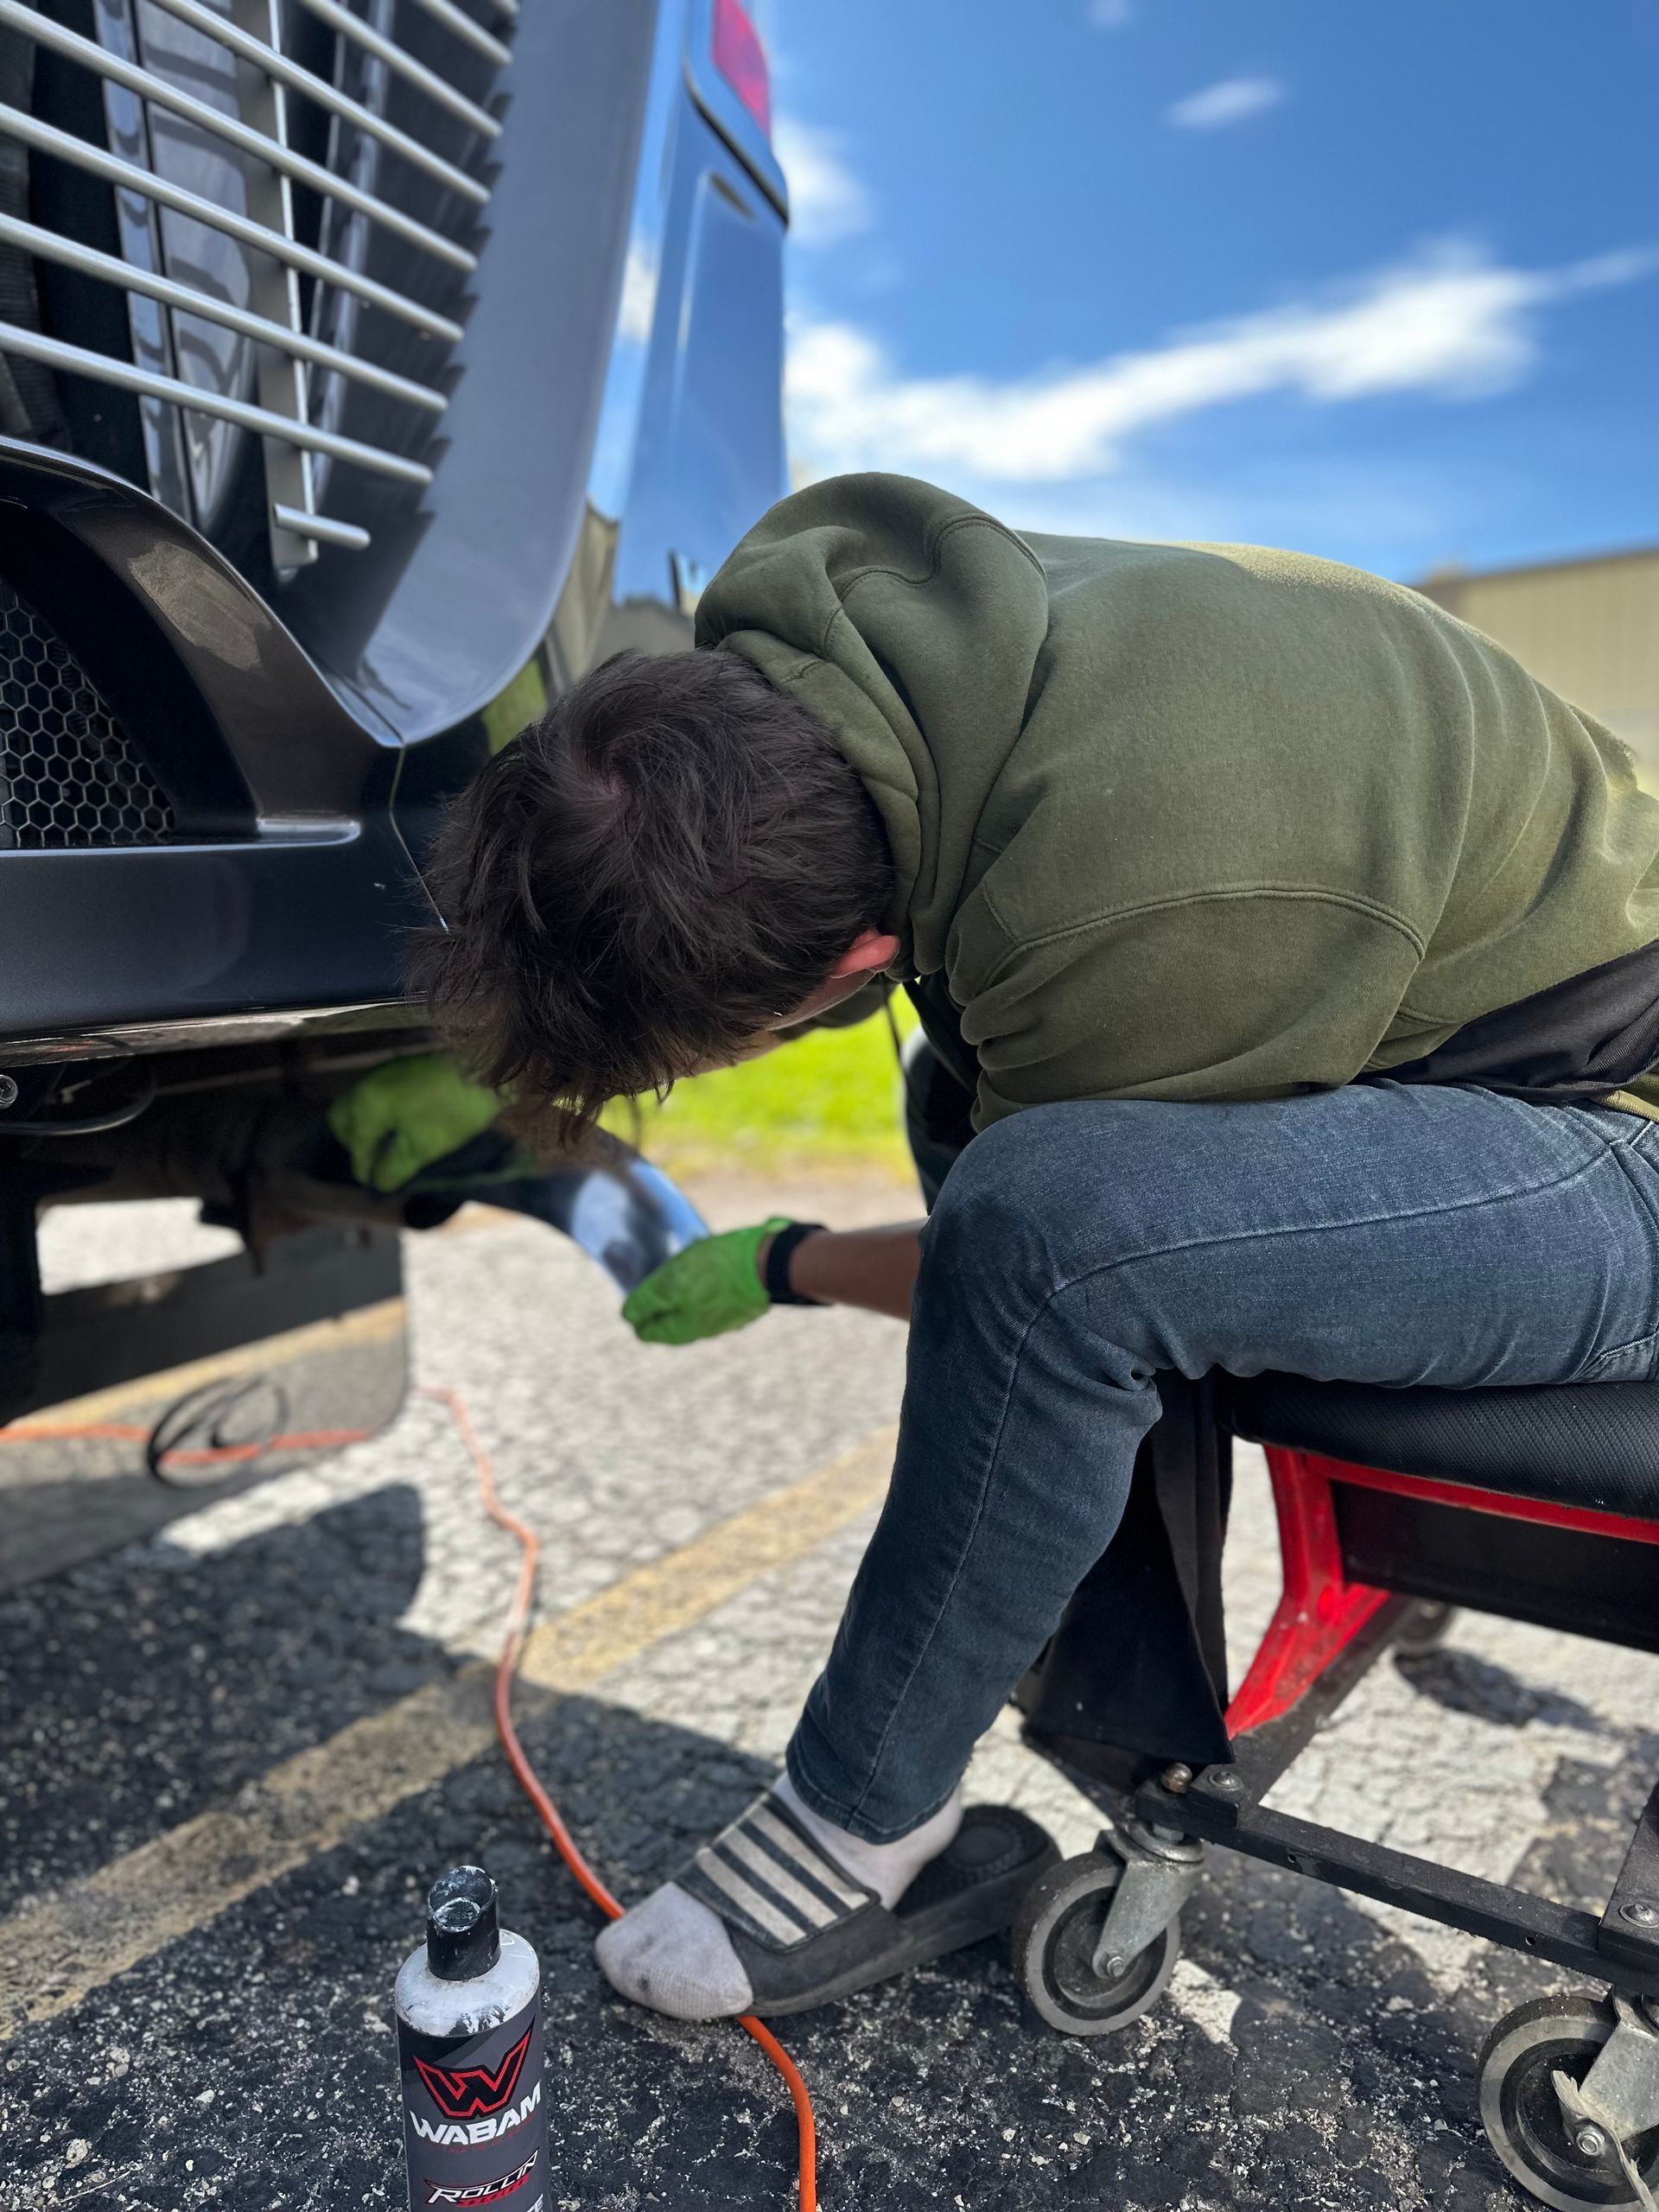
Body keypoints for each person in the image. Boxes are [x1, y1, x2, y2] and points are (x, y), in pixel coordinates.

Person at [417, 472, 1659, 2023]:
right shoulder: (850, 659)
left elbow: (1047, 1271)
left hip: (1618, 1136)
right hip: (1485, 1020)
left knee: (1042, 1228)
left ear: (855, 961)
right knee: (967, 1102)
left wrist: (784, 1261)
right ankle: (1068, 1644)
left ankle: (867, 1806)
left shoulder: (1142, 895)